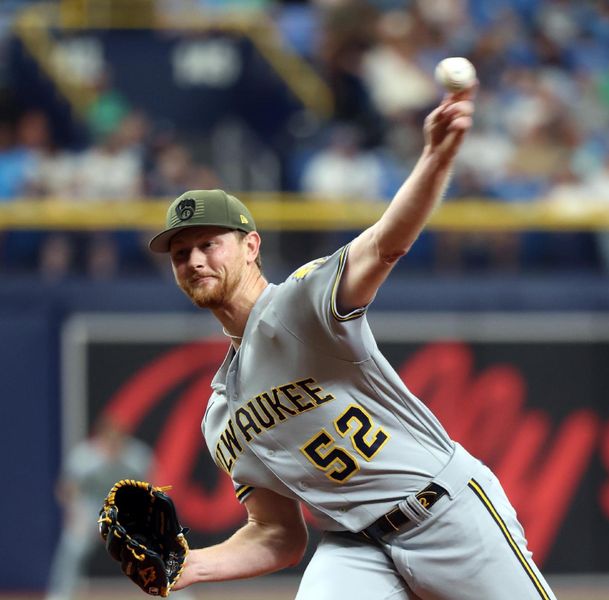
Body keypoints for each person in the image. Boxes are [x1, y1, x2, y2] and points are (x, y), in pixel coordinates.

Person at [146, 86, 557, 600]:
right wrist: (185, 565)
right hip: (353, 546)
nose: (195, 261)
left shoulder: (299, 304)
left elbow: (387, 244)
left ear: (251, 246)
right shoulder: (220, 418)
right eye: (180, 254)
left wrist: (434, 159)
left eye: (209, 244)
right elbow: (277, 535)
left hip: (445, 513)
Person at [46, 416, 154, 600]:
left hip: (124, 508)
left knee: (155, 546)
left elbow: (151, 490)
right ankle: (59, 594)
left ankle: (176, 593)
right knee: (74, 544)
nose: (113, 444)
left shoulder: (137, 456)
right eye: (108, 439)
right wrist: (76, 514)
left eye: (117, 439)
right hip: (89, 508)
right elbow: (67, 490)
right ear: (100, 438)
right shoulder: (84, 457)